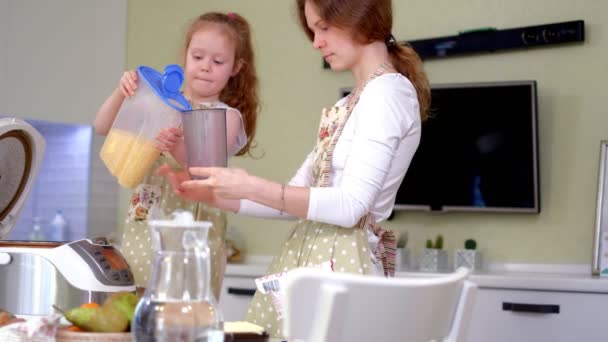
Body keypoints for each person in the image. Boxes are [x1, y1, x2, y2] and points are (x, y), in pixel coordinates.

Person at [160, 0, 430, 338]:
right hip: (314, 259)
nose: (316, 43)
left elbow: (351, 205)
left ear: (360, 19)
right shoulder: (349, 103)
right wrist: (216, 193)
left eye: (324, 28)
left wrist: (249, 185)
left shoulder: (387, 93)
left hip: (344, 265)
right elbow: (293, 198)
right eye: (313, 30)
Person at [93, 11, 259, 299]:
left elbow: (204, 169)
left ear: (235, 67)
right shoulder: (158, 103)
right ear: (185, 56)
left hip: (195, 234)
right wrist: (122, 92)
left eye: (218, 61)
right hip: (145, 227)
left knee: (186, 310)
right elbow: (102, 126)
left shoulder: (226, 117)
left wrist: (175, 146)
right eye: (198, 57)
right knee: (136, 306)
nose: (206, 67)